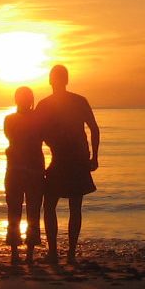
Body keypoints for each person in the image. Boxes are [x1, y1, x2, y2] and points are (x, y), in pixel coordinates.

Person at [38, 64, 99, 267]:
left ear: (50, 80)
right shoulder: (76, 101)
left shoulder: (47, 104)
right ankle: (66, 253)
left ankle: (56, 252)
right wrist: (94, 157)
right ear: (66, 80)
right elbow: (94, 129)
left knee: (52, 206)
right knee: (71, 207)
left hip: (67, 159)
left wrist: (94, 157)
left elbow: (37, 135)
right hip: (73, 159)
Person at [2, 86, 44, 261]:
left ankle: (15, 254)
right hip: (32, 169)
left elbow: (10, 138)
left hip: (15, 169)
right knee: (33, 212)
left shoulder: (9, 119)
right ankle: (29, 255)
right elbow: (42, 138)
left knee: (14, 211)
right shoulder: (38, 119)